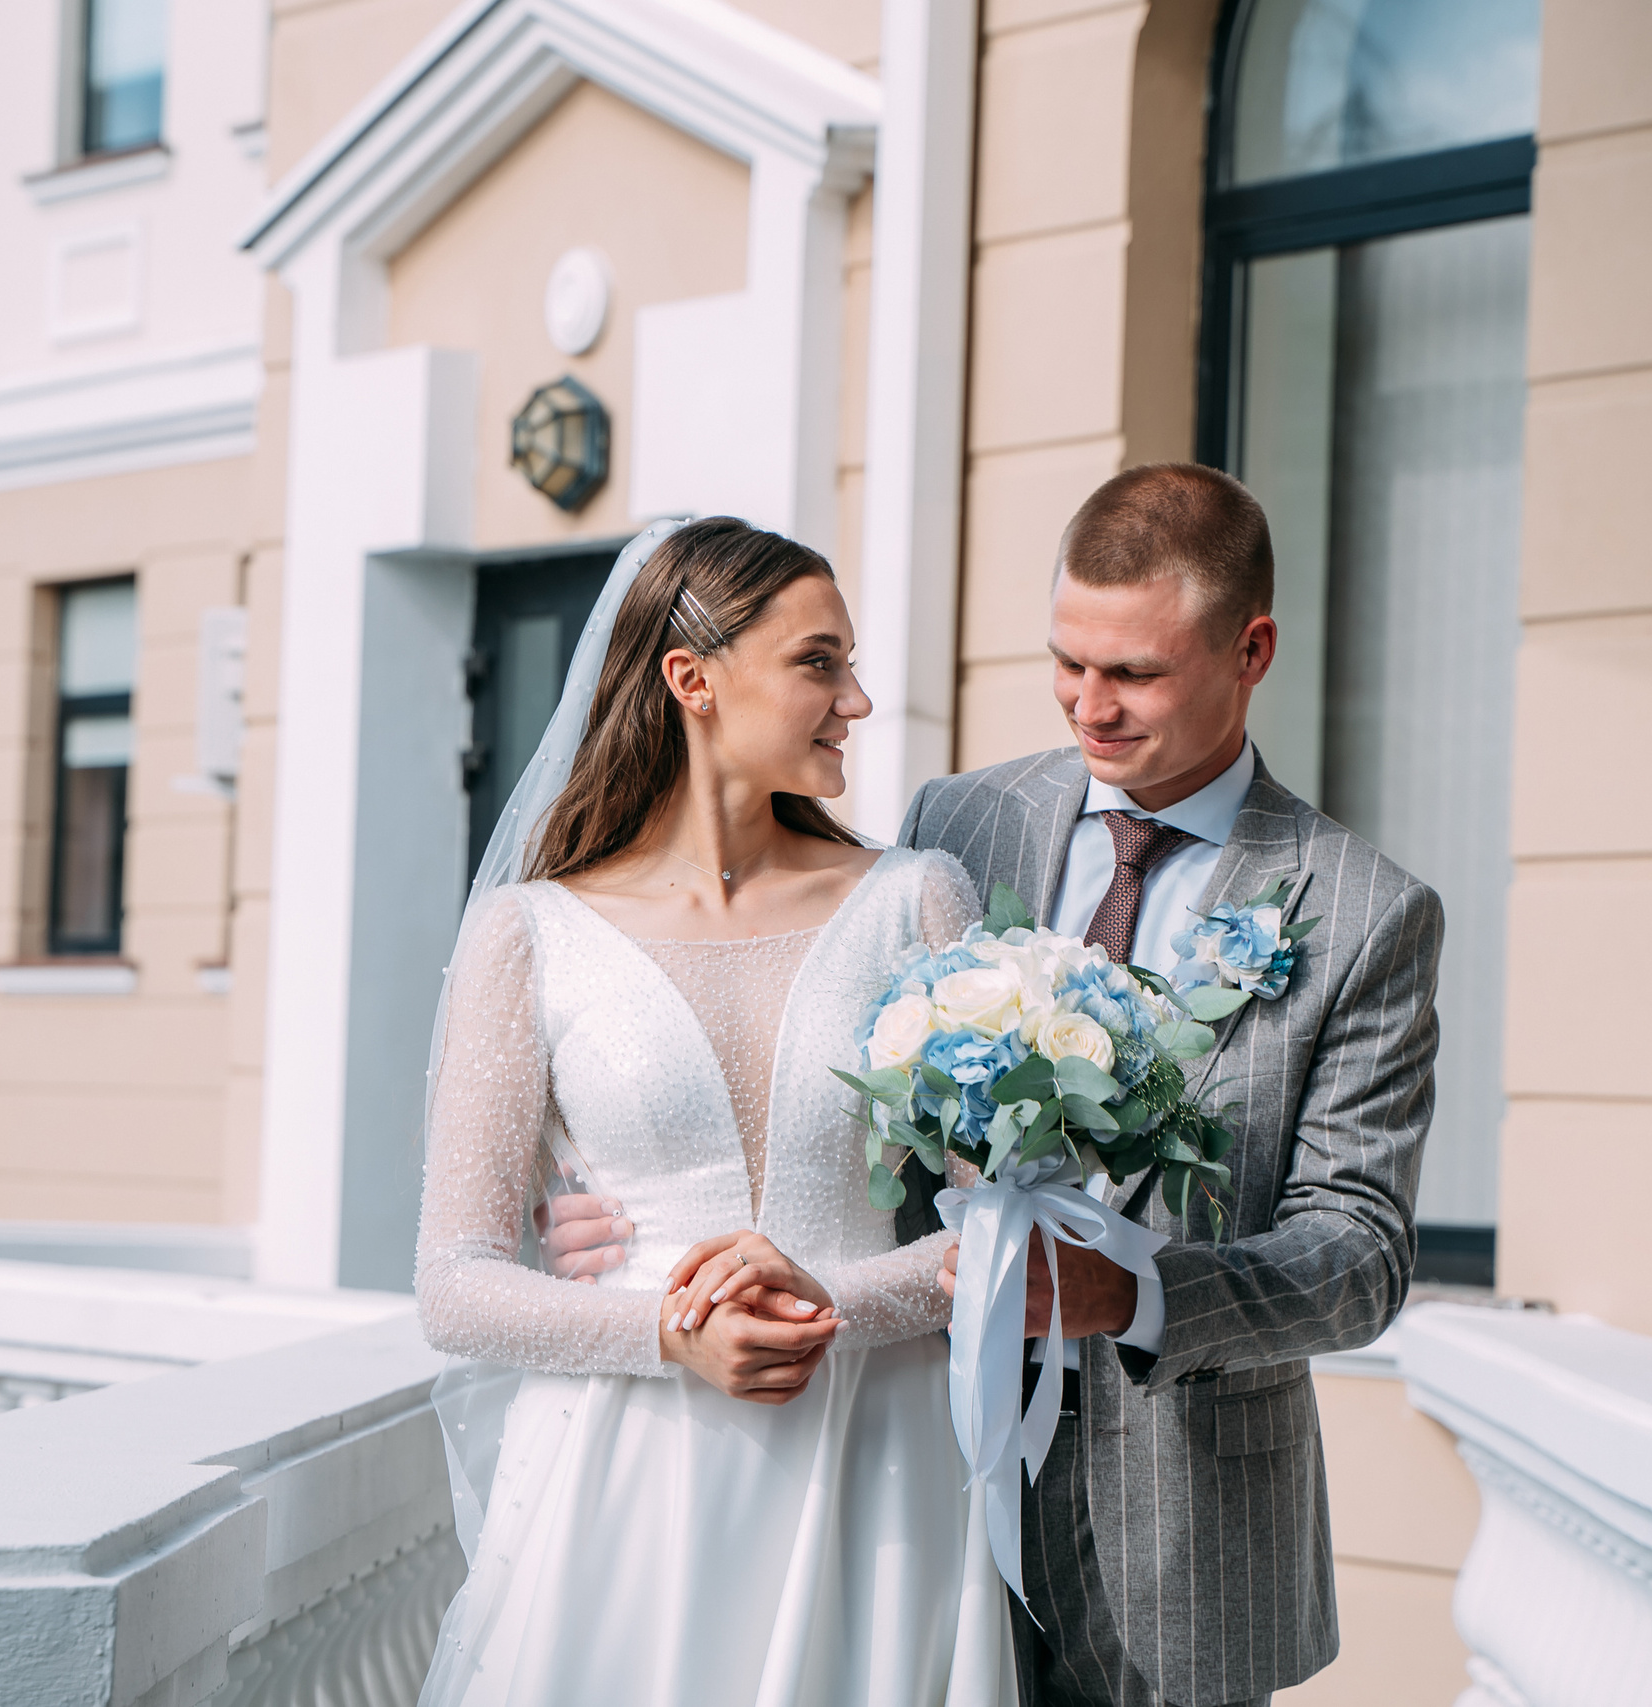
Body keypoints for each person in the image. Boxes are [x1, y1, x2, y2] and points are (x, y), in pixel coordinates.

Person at [546, 466, 1443, 1706]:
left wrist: (1127, 1293)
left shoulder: (1362, 911)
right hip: (906, 1492)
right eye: (1067, 663)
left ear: (1252, 650)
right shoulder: (956, 824)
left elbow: (1358, 1258)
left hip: (1182, 1554)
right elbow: (780, 1046)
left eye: (1134, 673)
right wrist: (615, 1200)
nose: (1091, 706)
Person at [413, 517, 1013, 1707]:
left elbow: (1012, 1230)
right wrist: (669, 1334)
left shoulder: (918, 902)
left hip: (877, 1460)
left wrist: (831, 1302)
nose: (857, 700)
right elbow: (454, 1281)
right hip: (624, 1475)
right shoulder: (530, 935)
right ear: (692, 679)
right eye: (819, 662)